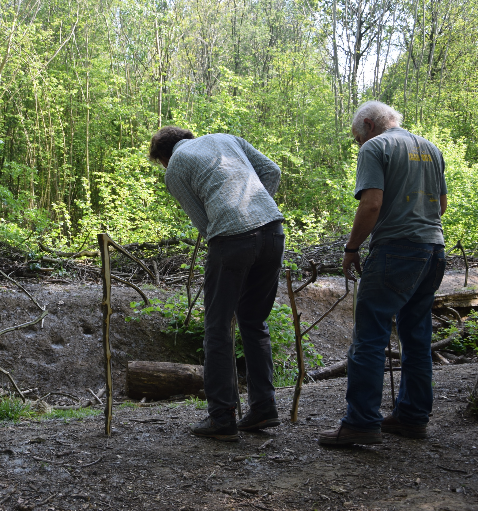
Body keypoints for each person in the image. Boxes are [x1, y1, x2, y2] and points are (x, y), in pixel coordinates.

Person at [318, 101, 447, 446]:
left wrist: (351, 248)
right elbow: (442, 206)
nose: (358, 143)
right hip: (434, 250)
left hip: (396, 250)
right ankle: (412, 417)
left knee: (370, 337)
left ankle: (361, 422)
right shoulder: (431, 148)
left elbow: (372, 203)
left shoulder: (376, 147)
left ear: (370, 125)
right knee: (416, 336)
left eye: (357, 137)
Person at [149, 127, 285, 441]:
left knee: (218, 328)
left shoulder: (176, 167)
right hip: (274, 230)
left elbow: (203, 222)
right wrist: (255, 210)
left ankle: (222, 417)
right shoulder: (225, 139)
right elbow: (271, 171)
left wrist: (238, 221)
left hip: (232, 239)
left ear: (164, 157)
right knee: (254, 321)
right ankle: (264, 406)